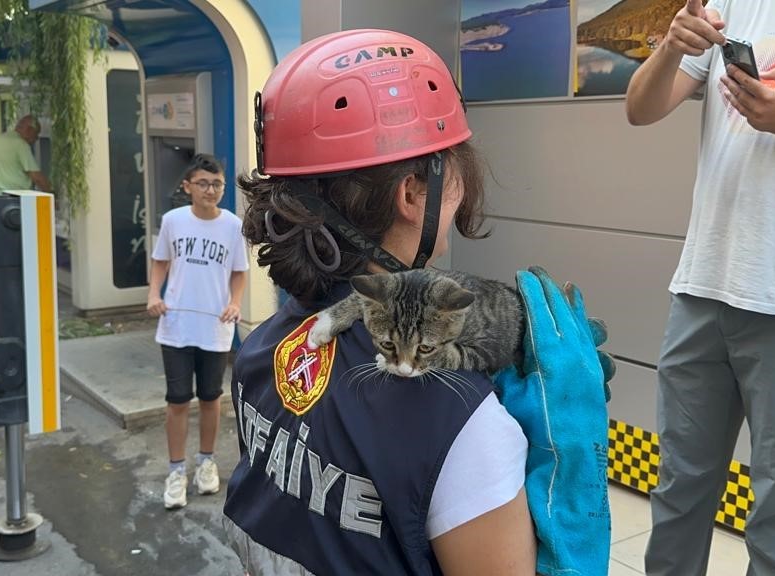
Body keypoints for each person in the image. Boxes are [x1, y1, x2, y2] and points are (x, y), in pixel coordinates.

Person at [222, 29, 612, 575]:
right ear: (412, 194)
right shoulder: (463, 425)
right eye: (454, 167)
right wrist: (575, 477)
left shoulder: (266, 345)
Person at [626, 1, 775, 574]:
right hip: (704, 287)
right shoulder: (732, 1)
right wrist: (673, 46)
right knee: (678, 493)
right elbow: (640, 109)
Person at [146, 153, 249, 510]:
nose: (211, 190)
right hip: (176, 326)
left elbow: (239, 271)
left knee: (210, 398)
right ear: (187, 186)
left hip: (215, 328)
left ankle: (206, 461)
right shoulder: (174, 221)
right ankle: (176, 471)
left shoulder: (233, 226)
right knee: (176, 401)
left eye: (217, 183)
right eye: (203, 183)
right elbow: (160, 261)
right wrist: (153, 294)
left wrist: (235, 303)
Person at [0, 115, 51, 196]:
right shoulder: (21, 144)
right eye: (36, 134)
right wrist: (50, 194)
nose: (36, 139)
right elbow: (37, 177)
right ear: (29, 130)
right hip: (13, 199)